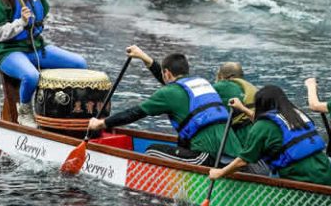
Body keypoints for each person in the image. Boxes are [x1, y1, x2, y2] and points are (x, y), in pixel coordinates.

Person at [88, 47, 243, 166]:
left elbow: (135, 113)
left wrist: (101, 123)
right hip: (233, 154)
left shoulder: (170, 93)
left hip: (209, 156)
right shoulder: (201, 83)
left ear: (167, 73)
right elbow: (172, 87)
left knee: (151, 151)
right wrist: (144, 57)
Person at [0, 0, 87, 127]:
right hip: (9, 51)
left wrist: (35, 24)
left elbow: (44, 13)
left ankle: (63, 108)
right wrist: (21, 23)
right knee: (31, 76)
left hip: (35, 47)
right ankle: (24, 112)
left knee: (80, 64)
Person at [210, 85, 331, 185]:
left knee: (267, 171)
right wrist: (243, 108)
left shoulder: (263, 125)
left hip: (302, 178)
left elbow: (243, 161)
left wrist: (220, 172)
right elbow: (269, 125)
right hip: (325, 169)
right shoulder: (296, 115)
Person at [216, 62, 258, 142]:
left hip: (241, 134)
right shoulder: (251, 88)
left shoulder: (222, 86)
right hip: (256, 129)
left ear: (221, 76)